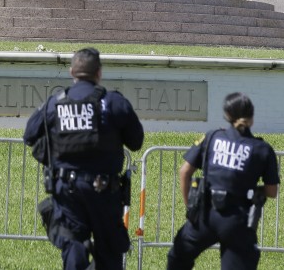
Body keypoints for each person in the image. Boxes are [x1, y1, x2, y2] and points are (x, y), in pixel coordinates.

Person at [23, 46, 144, 270]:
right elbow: (136, 142)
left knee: (74, 248)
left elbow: (29, 135)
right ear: (99, 72)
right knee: (109, 252)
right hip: (104, 191)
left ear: (71, 72)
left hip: (67, 190)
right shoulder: (113, 103)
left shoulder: (55, 103)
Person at [167, 92, 279, 270]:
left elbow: (184, 172)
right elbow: (272, 191)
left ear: (227, 115)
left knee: (178, 257)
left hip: (206, 215)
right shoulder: (262, 149)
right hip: (237, 219)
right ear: (252, 116)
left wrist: (191, 209)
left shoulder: (212, 137)